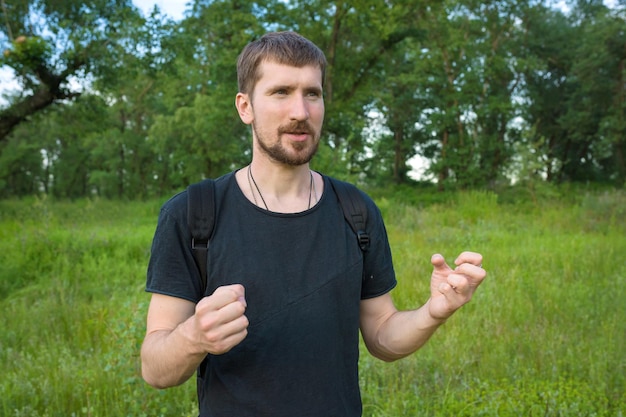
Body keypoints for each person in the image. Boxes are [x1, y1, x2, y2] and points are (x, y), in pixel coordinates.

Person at [140, 31, 486, 417]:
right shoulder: (193, 213)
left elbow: (382, 336)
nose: (300, 112)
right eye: (281, 92)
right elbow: (155, 369)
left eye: (312, 93)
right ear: (245, 106)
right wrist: (193, 337)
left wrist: (432, 313)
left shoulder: (355, 211)